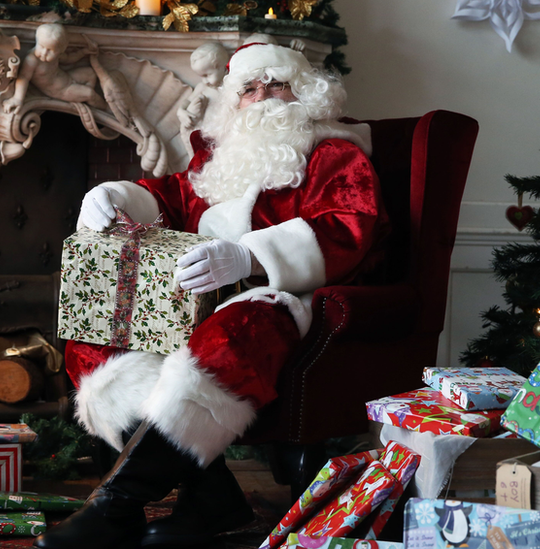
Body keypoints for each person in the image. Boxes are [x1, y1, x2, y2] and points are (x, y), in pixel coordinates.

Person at [34, 42, 389, 549]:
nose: (263, 95)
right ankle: (211, 494)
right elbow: (171, 197)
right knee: (97, 341)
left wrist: (252, 257)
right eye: (249, 87)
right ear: (234, 100)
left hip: (279, 296)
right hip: (189, 299)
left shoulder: (336, 153)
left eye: (277, 83)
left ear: (305, 93)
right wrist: (113, 196)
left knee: (232, 335)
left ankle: (118, 506)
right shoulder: (221, 157)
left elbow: (350, 225)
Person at [5, 23, 108, 114]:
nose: (44, 53)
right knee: (89, 93)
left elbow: (69, 59)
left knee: (90, 73)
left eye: (50, 50)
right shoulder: (32, 60)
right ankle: (106, 109)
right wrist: (17, 98)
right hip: (61, 91)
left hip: (67, 77)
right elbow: (23, 77)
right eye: (41, 46)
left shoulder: (57, 55)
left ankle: (86, 101)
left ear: (60, 50)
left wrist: (84, 52)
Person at [177, 41, 229, 154]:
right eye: (201, 76)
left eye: (207, 75)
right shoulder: (202, 87)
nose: (204, 81)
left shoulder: (230, 87)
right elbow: (186, 102)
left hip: (223, 133)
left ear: (223, 67)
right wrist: (181, 112)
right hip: (205, 133)